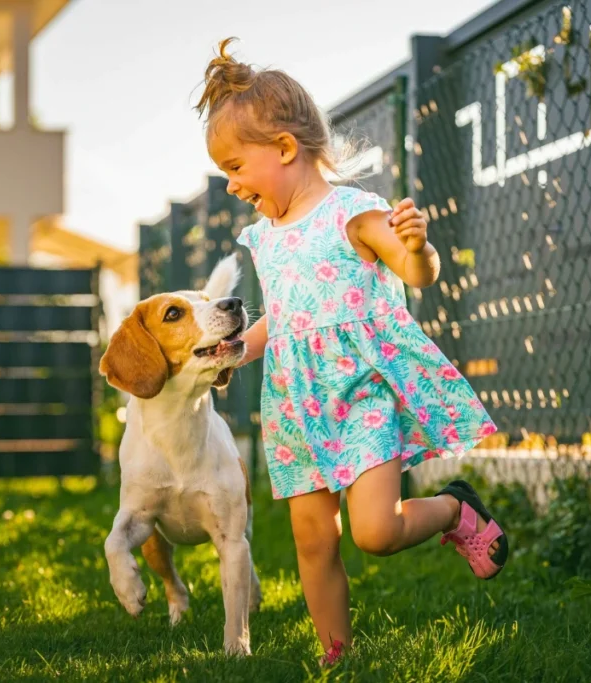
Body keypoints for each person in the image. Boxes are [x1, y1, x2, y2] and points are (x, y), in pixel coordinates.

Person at [195, 38, 509, 666]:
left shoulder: (353, 212)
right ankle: (337, 656)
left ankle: (454, 509)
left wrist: (417, 248)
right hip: (296, 406)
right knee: (314, 541)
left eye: (235, 166)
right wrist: (231, 352)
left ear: (284, 149)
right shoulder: (265, 238)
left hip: (360, 393)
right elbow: (280, 323)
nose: (230, 185)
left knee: (374, 532)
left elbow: (416, 275)